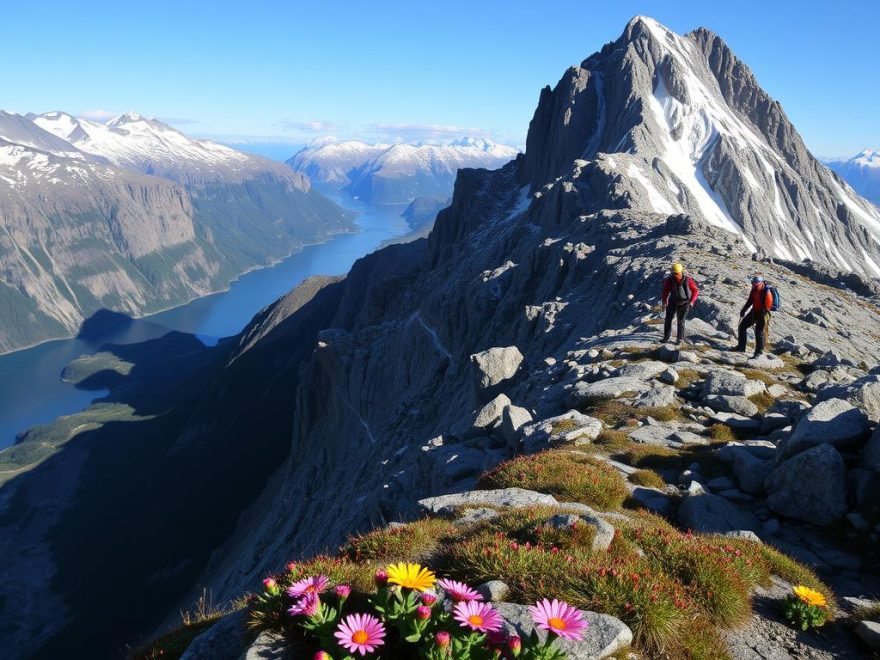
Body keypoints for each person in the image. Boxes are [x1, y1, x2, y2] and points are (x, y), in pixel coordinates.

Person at [735, 276, 774, 356]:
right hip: (755, 311)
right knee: (742, 326)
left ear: (759, 282)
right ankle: (741, 347)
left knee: (758, 331)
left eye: (753, 282)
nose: (752, 283)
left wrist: (762, 314)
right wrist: (744, 310)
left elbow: (768, 305)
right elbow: (750, 300)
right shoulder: (754, 289)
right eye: (752, 282)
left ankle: (758, 352)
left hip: (763, 313)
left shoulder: (765, 291)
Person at [661, 262, 699, 345]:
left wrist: (692, 301)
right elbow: (665, 291)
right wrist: (664, 301)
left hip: (684, 303)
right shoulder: (671, 280)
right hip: (675, 302)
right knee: (669, 319)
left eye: (676, 273)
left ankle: (678, 338)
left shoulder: (687, 280)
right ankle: (668, 337)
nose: (675, 275)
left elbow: (695, 291)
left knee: (679, 320)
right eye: (674, 273)